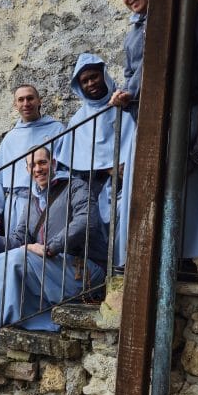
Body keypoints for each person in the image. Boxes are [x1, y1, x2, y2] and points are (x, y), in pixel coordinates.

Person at [115, 0, 198, 271]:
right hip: (147, 120)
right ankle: (143, 256)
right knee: (144, 185)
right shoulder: (133, 33)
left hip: (185, 109)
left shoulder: (191, 9)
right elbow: (131, 75)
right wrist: (125, 95)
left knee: (183, 181)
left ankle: (181, 260)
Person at [0, 147, 107, 344]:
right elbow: (18, 240)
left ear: (54, 164)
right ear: (27, 170)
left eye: (42, 162)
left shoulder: (76, 187)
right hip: (52, 266)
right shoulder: (31, 202)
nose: (38, 168)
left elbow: (86, 221)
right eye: (32, 165)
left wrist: (49, 247)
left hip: (83, 269)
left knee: (18, 258)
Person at [55, 54, 136, 268]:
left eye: (94, 77)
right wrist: (106, 169)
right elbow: (71, 164)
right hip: (96, 189)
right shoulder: (79, 120)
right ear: (79, 86)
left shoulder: (126, 103)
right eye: (85, 81)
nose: (91, 83)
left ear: (104, 76)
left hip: (129, 183)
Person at [0, 84, 65, 235]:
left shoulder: (57, 129)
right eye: (21, 100)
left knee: (44, 248)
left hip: (47, 198)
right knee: (15, 249)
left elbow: (65, 167)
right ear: (15, 105)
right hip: (15, 204)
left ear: (39, 101)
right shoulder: (10, 138)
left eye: (30, 98)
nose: (26, 103)